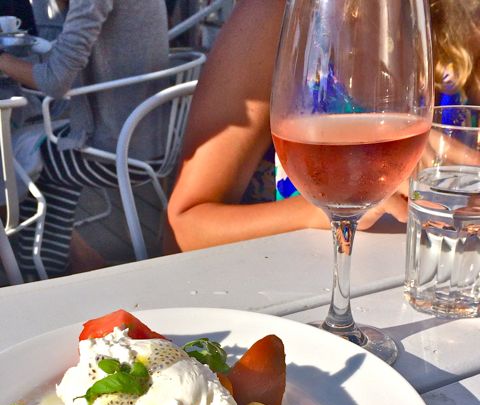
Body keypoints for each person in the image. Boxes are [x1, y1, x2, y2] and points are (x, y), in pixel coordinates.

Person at [165, 0, 480, 254]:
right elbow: (183, 230)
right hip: (291, 294)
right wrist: (332, 206)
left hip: (429, 283)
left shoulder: (459, 17)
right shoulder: (274, 13)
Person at [0, 0, 169, 278]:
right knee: (44, 149)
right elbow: (60, 56)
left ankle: (40, 278)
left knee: (18, 158)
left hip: (120, 149)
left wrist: (3, 60)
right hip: (152, 138)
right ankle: (70, 265)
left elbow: (54, 80)